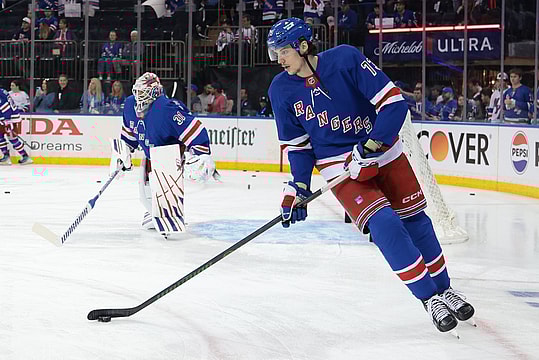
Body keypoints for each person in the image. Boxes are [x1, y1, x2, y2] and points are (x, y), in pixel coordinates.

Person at [266, 17, 474, 335]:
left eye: (283, 52)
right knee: (385, 225)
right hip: (339, 166)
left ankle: (445, 289)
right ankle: (429, 298)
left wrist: (371, 146)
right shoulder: (280, 90)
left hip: (383, 151)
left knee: (416, 221)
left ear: (303, 46)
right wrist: (299, 185)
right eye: (275, 53)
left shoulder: (346, 58)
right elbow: (298, 146)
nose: (279, 60)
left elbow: (393, 105)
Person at [116, 72, 217, 230]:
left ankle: (169, 214)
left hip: (168, 156)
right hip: (150, 154)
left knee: (163, 192)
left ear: (154, 92)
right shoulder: (130, 104)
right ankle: (154, 211)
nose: (138, 97)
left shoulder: (167, 108)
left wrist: (201, 153)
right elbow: (129, 132)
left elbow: (194, 128)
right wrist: (123, 153)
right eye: (137, 92)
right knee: (144, 196)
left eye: (142, 93)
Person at [0, 88, 33, 165]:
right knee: (1, 137)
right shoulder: (2, 91)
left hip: (9, 118)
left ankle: (25, 156)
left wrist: (7, 120)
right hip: (6, 118)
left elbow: (5, 107)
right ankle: (6, 156)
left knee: (12, 138)